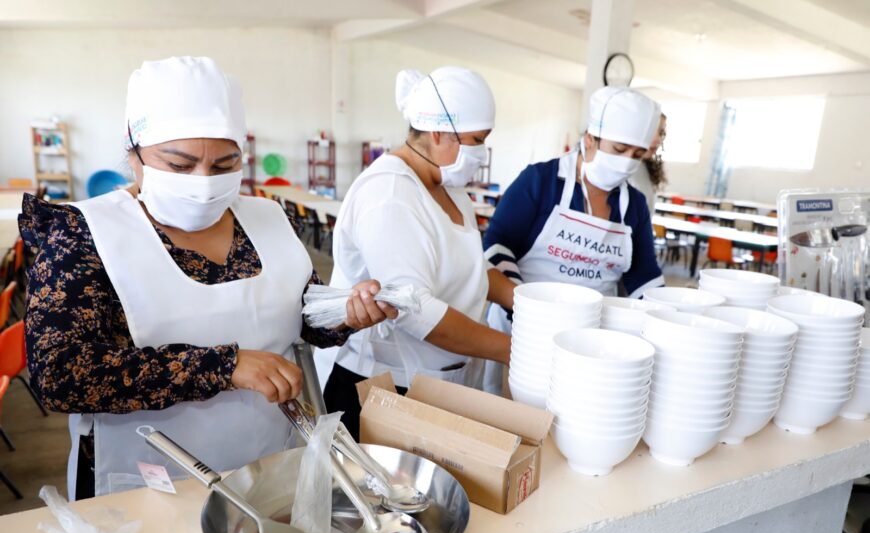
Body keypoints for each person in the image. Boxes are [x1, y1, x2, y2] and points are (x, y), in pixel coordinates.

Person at [19, 56, 396, 499]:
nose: (202, 182)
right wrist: (224, 366)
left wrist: (347, 312)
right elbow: (61, 375)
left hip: (268, 459)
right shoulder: (86, 234)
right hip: (146, 481)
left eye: (223, 166)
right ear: (134, 151)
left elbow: (303, 314)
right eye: (179, 165)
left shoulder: (268, 219)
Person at [315, 67, 515, 438]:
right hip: (379, 387)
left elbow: (470, 267)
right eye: (476, 139)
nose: (481, 152)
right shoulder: (390, 194)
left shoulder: (449, 188)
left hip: (433, 381)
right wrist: (513, 349)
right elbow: (415, 310)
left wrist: (526, 302)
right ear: (439, 132)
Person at [480, 86, 664, 393]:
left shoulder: (633, 205)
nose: (627, 162)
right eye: (619, 150)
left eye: (637, 154)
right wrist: (526, 308)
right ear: (590, 140)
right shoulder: (540, 181)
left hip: (593, 342)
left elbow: (644, 277)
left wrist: (664, 319)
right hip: (523, 330)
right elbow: (498, 245)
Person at [631, 113, 668, 215]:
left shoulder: (645, 166)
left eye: (661, 133)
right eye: (650, 131)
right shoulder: (621, 170)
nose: (658, 140)